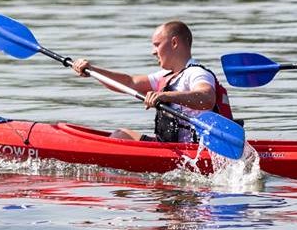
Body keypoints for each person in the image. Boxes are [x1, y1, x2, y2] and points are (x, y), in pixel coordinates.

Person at [70, 20, 233, 142]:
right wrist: (92, 70)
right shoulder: (167, 76)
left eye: (157, 45)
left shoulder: (196, 73)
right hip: (173, 148)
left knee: (120, 136)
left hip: (193, 152)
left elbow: (206, 98)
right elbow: (129, 82)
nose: (153, 52)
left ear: (174, 43)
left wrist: (166, 96)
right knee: (122, 134)